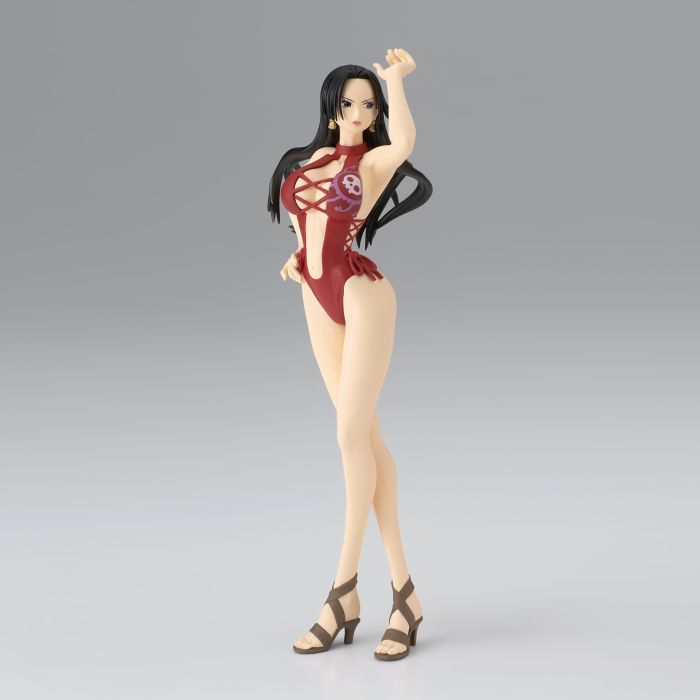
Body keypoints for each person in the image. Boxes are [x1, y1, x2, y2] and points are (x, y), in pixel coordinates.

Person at [267, 48, 433, 661]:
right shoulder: (305, 162)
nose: (359, 112)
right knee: (365, 438)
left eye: (370, 104)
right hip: (315, 295)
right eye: (350, 102)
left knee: (347, 436)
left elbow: (406, 140)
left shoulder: (374, 161)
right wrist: (296, 258)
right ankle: (405, 596)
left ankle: (341, 590)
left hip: (362, 295)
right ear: (332, 107)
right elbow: (302, 225)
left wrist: (396, 80)